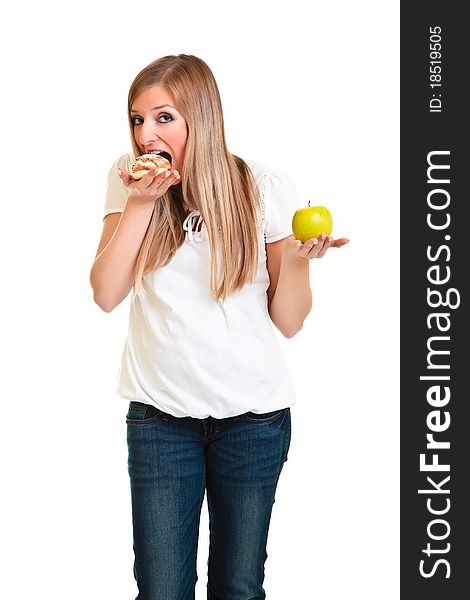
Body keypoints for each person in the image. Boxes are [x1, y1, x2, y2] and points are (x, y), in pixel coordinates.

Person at [89, 54, 348, 600]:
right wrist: (140, 204)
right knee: (162, 590)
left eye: (163, 118)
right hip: (160, 422)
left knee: (238, 587)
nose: (145, 134)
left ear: (200, 116)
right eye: (137, 120)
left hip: (253, 423)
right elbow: (106, 293)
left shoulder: (264, 187)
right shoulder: (127, 183)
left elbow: (290, 322)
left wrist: (298, 260)